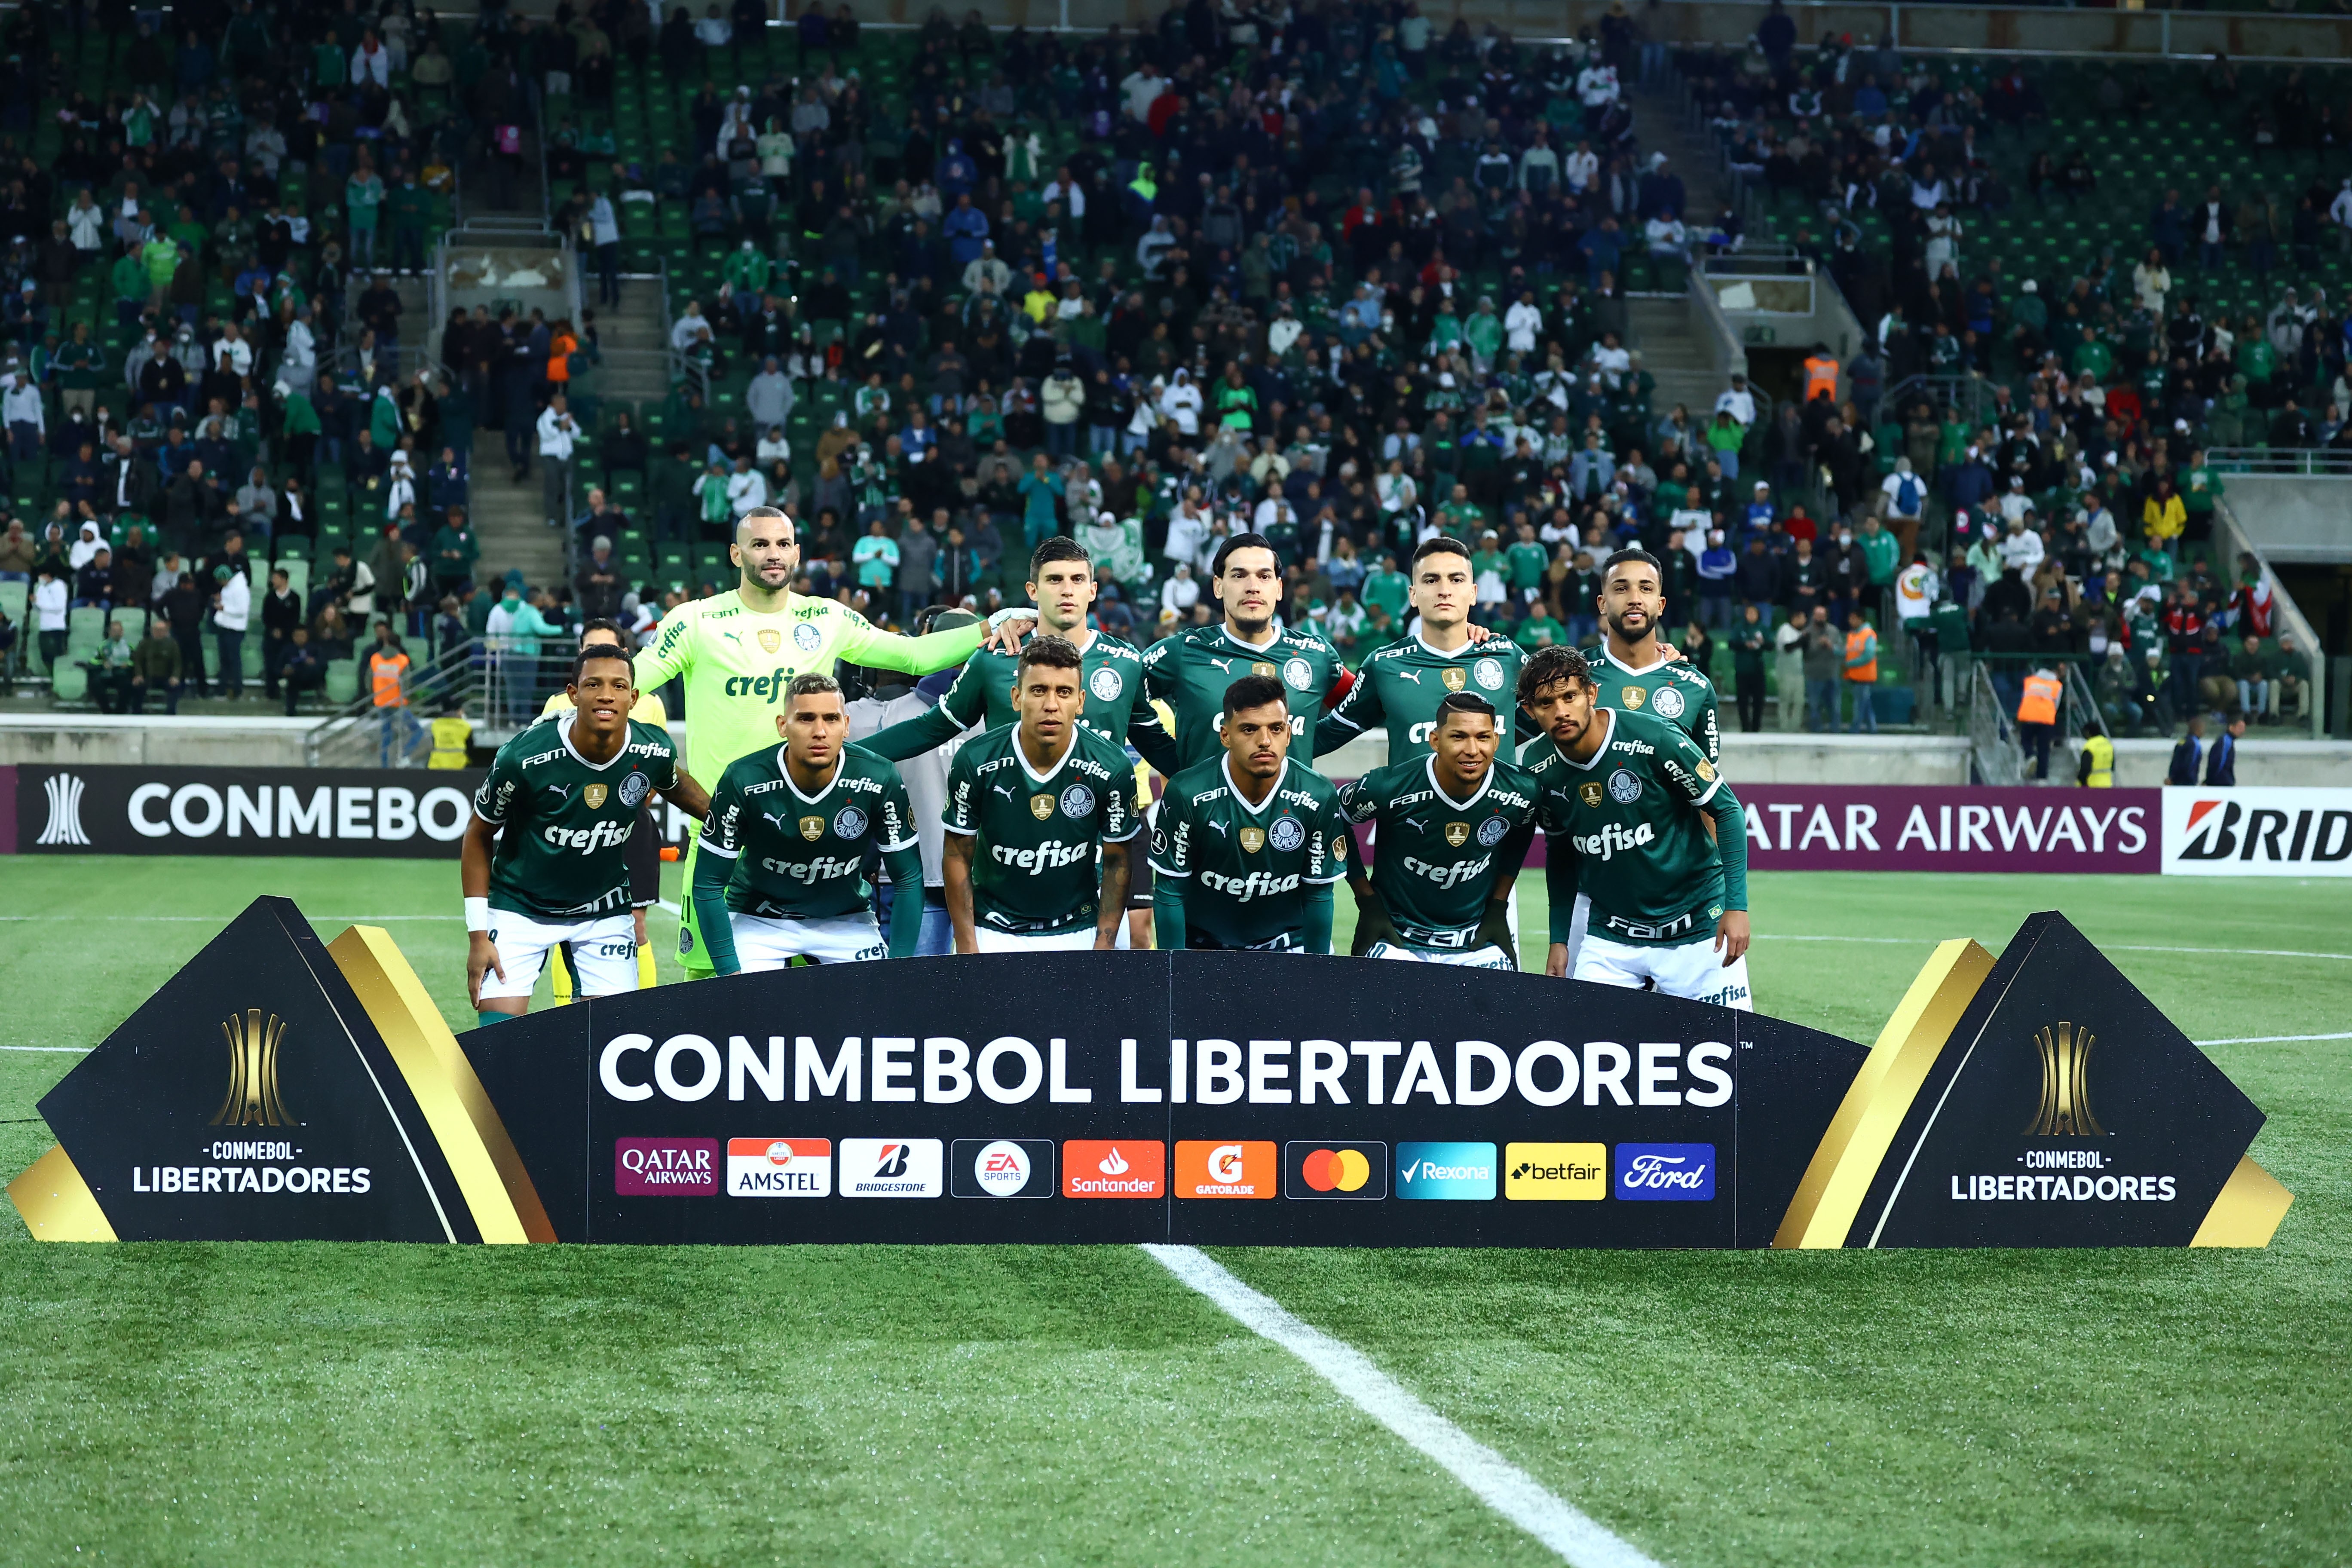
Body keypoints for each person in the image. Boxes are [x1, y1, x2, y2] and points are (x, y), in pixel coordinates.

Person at [632, 505, 1037, 977]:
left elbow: (910, 655)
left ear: (798, 553)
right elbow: (630, 685)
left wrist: (991, 626)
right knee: (710, 983)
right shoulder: (696, 621)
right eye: (759, 544)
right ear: (735, 553)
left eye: (782, 544)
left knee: (828, 996)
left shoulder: (825, 617)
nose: (773, 554)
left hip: (813, 835)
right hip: (725, 834)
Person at [464, 643, 711, 1024]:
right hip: (520, 908)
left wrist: (738, 827)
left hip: (604, 911)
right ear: (573, 694)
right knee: (498, 1040)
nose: (606, 695)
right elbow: (478, 835)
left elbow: (678, 786)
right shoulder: (524, 757)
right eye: (594, 685)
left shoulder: (654, 750)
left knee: (611, 1042)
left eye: (618, 686)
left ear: (634, 697)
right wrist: (478, 936)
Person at [1520, 646, 1752, 1008]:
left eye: (1570, 697)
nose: (1561, 711)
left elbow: (1728, 810)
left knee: (1729, 1055)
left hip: (1697, 929)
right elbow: (1561, 852)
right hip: (1611, 937)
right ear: (1529, 711)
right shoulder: (1537, 766)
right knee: (1587, 1052)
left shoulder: (1656, 738)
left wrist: (1736, 907)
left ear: (1591, 694)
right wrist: (1559, 940)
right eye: (1547, 703)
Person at [864, 538, 1177, 768]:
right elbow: (930, 728)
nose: (1067, 590)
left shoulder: (1125, 662)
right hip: (1009, 844)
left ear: (1092, 590)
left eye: (1077, 580)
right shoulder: (994, 657)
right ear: (1032, 591)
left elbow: (1157, 745)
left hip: (1097, 846)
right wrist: (845, 757)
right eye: (1055, 580)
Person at [692, 672, 924, 971]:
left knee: (874, 1012)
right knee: (749, 1011)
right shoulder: (743, 779)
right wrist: (729, 972)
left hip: (846, 919)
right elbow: (708, 884)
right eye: (806, 719)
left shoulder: (879, 777)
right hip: (759, 919)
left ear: (847, 726)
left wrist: (898, 969)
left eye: (831, 719)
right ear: (782, 725)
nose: (820, 731)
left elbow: (908, 878)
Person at [941, 635, 1140, 952]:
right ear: (1017, 697)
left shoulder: (1111, 765)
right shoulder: (976, 759)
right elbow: (956, 854)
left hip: (1081, 925)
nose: (1051, 705)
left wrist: (1104, 946)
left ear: (1081, 701)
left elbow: (1119, 860)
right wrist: (967, 944)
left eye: (1064, 692)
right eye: (1039, 690)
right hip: (993, 927)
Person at [1336, 692, 1540, 968]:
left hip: (1476, 943)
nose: (1472, 750)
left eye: (1482, 737)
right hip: (1397, 939)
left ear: (1496, 741)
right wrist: (1367, 900)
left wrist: (1498, 906)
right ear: (1436, 740)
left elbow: (1523, 830)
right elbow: (1333, 819)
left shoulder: (1522, 790)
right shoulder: (1388, 786)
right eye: (1458, 737)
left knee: (1500, 1008)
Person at [1150, 672, 1351, 953]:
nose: (1265, 741)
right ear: (1225, 736)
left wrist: (1315, 974)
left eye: (1276, 729)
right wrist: (1173, 969)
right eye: (1249, 729)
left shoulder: (1318, 794)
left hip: (1290, 946)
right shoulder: (1187, 792)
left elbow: (1318, 894)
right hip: (1204, 949)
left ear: (1289, 734)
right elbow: (1170, 891)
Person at [1143, 532, 1357, 768]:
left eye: (1264, 576)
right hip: (1205, 805)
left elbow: (1362, 705)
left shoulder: (1316, 655)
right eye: (1239, 576)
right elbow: (1123, 699)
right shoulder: (1181, 651)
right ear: (1218, 586)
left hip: (1291, 805)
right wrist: (1175, 764)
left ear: (1279, 588)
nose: (1253, 587)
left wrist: (1307, 745)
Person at [1314, 536, 1528, 762]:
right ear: (1413, 595)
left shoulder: (1507, 655)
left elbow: (1558, 713)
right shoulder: (1383, 665)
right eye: (1431, 580)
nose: (1445, 591)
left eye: (1456, 580)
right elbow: (1327, 735)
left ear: (1473, 593)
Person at [1580, 547, 1721, 761]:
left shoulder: (1695, 687)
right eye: (1621, 589)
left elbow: (1707, 783)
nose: (1635, 599)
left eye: (1646, 589)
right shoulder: (1572, 676)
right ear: (1602, 604)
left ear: (1661, 605)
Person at [370, 627, 425, 766]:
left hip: (381, 702)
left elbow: (368, 680)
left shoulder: (375, 659)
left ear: (386, 643)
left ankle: (384, 766)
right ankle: (405, 756)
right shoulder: (403, 661)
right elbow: (407, 683)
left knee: (386, 735)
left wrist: (376, 695)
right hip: (397, 703)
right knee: (418, 731)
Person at [129, 616, 185, 713]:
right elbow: (138, 661)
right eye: (156, 630)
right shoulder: (144, 643)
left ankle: (170, 713)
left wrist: (175, 676)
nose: (159, 633)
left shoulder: (172, 644)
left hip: (166, 678)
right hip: (147, 677)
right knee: (137, 687)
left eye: (161, 630)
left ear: (166, 631)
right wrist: (139, 675)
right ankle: (136, 713)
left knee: (176, 687)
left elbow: (178, 663)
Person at [2017, 664, 2061, 780]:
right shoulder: (2057, 685)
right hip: (2046, 719)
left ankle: (2031, 755)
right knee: (2044, 749)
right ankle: (2042, 778)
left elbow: (2024, 697)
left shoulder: (2029, 681)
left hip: (2029, 716)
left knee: (2026, 740)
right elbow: (2056, 704)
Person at [212, 563, 250, 698]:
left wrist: (224, 609)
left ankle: (237, 690)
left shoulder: (240, 589)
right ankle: (223, 689)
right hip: (225, 627)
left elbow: (242, 610)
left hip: (235, 630)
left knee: (234, 661)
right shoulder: (229, 587)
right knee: (225, 660)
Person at [1729, 603, 1769, 732]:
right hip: (1742, 670)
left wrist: (1762, 644)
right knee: (1743, 701)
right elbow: (1731, 644)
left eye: (1754, 613)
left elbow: (1771, 645)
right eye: (1749, 613)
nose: (1751, 616)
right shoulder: (1739, 627)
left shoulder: (1762, 628)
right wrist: (1745, 645)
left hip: (1758, 670)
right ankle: (1745, 728)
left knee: (1758, 701)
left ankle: (1756, 728)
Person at [1843, 608, 1879, 734]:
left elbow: (1868, 656)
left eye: (1852, 618)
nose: (1850, 621)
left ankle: (1854, 730)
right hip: (1855, 676)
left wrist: (1850, 664)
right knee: (1866, 706)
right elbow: (1849, 652)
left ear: (1860, 619)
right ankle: (1873, 730)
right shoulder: (1853, 635)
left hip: (1865, 677)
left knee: (1859, 706)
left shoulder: (1868, 634)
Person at [2168, 711, 2208, 784]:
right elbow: (2190, 763)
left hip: (2176, 781)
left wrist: (2172, 777)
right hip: (2187, 782)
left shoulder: (2182, 741)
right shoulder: (2195, 744)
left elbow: (2175, 761)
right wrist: (2192, 780)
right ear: (2198, 729)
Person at [2207, 710, 2244, 786]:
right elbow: (2218, 762)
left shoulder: (2228, 742)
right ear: (2231, 727)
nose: (2243, 731)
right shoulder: (2225, 742)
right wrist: (2210, 781)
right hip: (2221, 784)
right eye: (2240, 727)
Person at [2076, 717, 2115, 787]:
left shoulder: (2089, 746)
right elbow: (2113, 766)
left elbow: (2085, 769)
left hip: (2092, 785)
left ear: (2088, 732)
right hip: (2107, 784)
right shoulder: (2108, 744)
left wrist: (2082, 783)